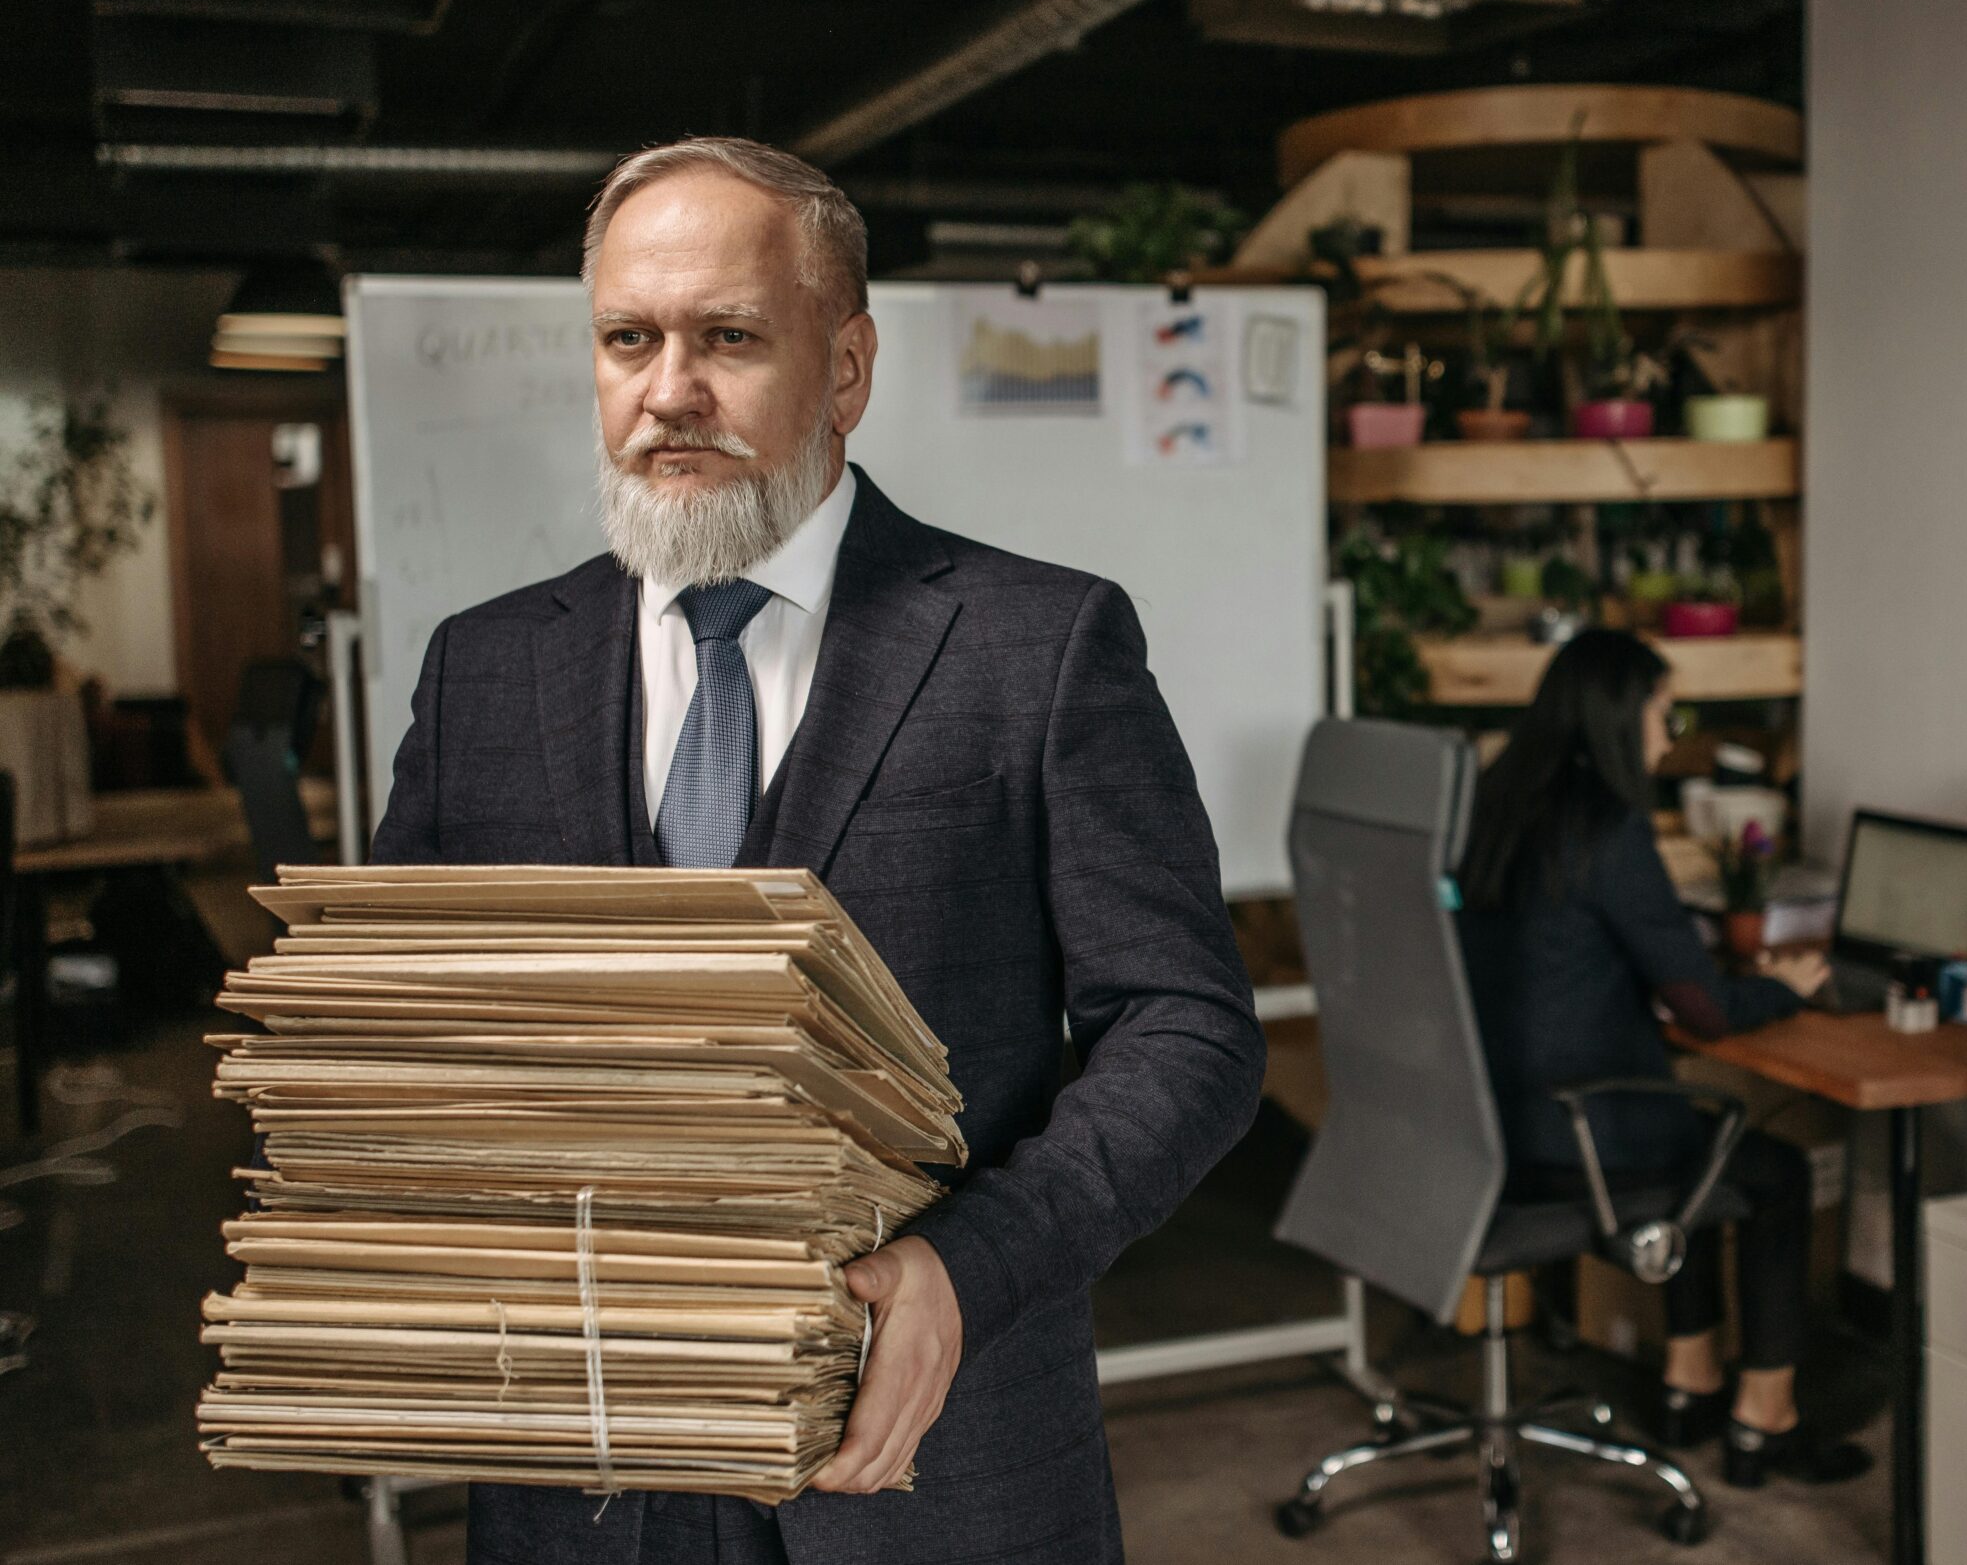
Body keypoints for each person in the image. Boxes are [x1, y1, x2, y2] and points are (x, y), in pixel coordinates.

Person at [369, 137, 1265, 1564]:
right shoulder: (480, 669)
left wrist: (971, 1268)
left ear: (846, 367)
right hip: (581, 1480)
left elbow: (1188, 1028)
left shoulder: (1039, 646)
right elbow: (399, 1031)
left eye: (729, 338)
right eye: (627, 339)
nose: (670, 391)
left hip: (938, 1470)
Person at [1454, 629, 1871, 1488]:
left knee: (1690, 1129)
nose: (1668, 731)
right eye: (1660, 709)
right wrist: (1787, 984)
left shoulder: (1496, 808)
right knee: (1773, 1173)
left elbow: (1551, 952)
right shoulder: (1607, 833)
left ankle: (1691, 1380)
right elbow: (1706, 1010)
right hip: (1580, 1143)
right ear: (1616, 717)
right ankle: (1765, 1418)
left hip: (1493, 1118)